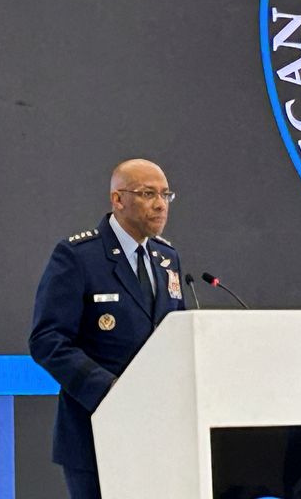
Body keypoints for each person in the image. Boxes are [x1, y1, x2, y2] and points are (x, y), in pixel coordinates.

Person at [29, 158, 186, 499]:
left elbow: (179, 337)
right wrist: (113, 391)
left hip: (159, 434)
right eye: (148, 194)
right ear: (118, 199)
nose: (160, 204)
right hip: (94, 431)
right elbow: (47, 340)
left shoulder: (166, 258)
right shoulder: (78, 255)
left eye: (165, 195)